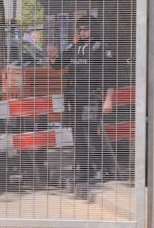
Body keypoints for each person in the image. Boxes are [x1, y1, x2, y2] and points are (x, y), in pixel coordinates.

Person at [48, 15, 117, 200]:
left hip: (92, 97)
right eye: (80, 29)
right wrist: (53, 55)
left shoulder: (101, 48)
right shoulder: (75, 48)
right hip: (75, 98)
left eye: (86, 29)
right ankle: (85, 169)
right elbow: (58, 65)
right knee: (78, 133)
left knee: (90, 132)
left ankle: (101, 169)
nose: (83, 32)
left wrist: (108, 99)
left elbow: (110, 76)